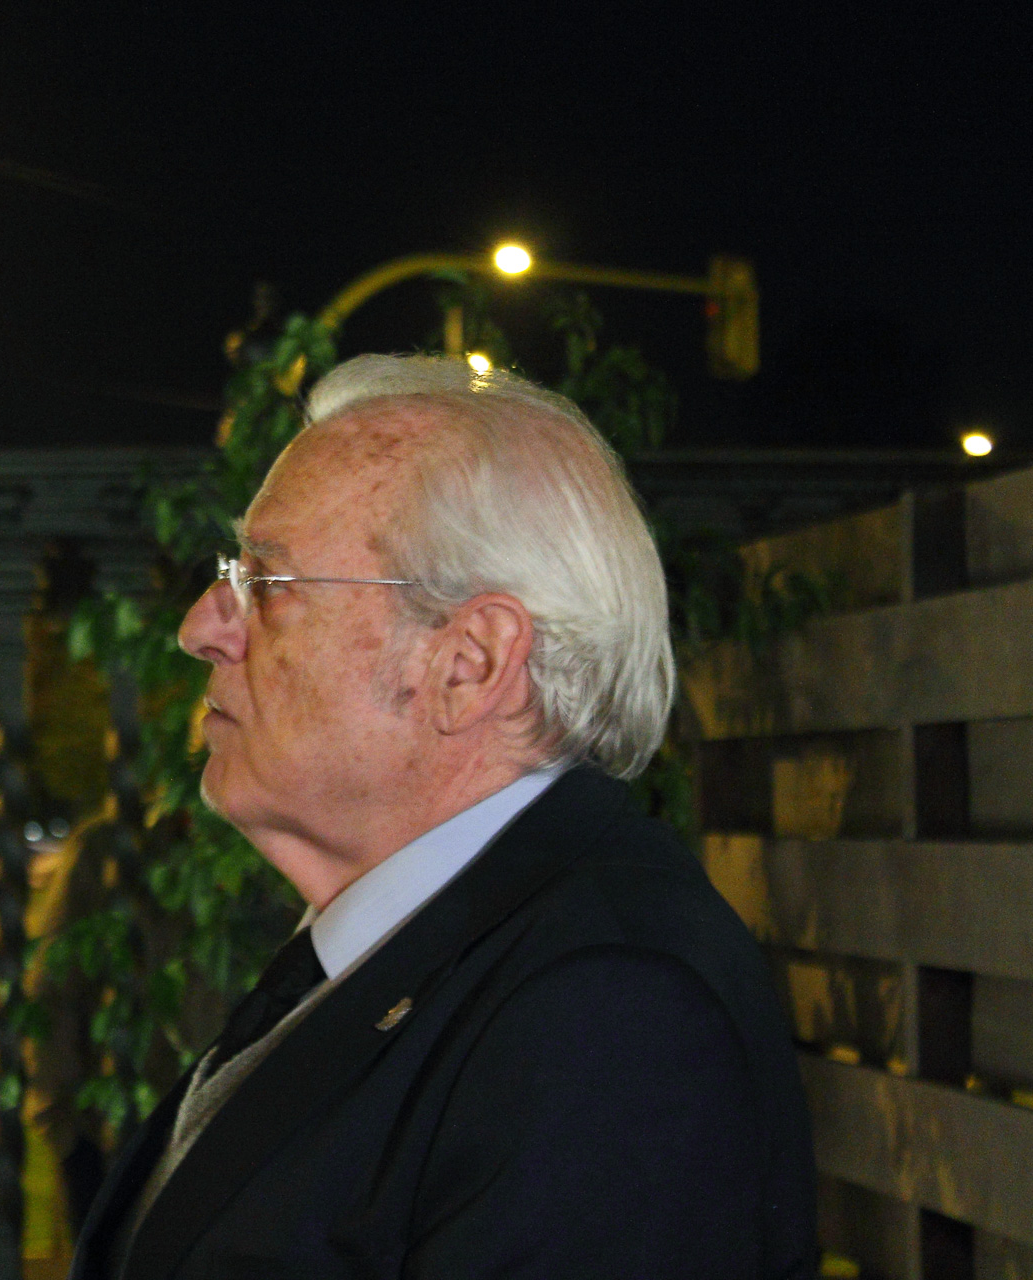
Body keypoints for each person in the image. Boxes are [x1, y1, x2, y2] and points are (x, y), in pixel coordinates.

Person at [69, 354, 817, 1280]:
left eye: (268, 583)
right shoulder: (423, 945)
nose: (201, 628)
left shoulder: (609, 1016)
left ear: (469, 663)